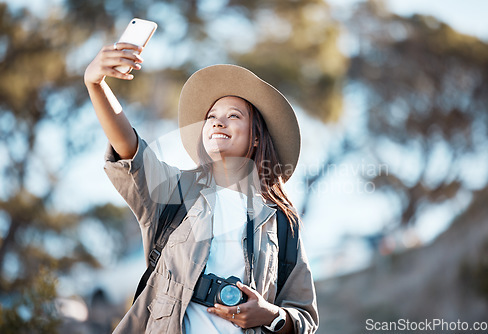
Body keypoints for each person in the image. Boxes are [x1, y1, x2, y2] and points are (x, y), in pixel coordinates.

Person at [84, 41, 318, 334]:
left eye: (233, 115)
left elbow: (304, 318)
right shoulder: (174, 190)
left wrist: (270, 315)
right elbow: (128, 146)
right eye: (211, 116)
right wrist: (96, 85)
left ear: (256, 136)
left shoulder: (282, 224)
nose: (218, 122)